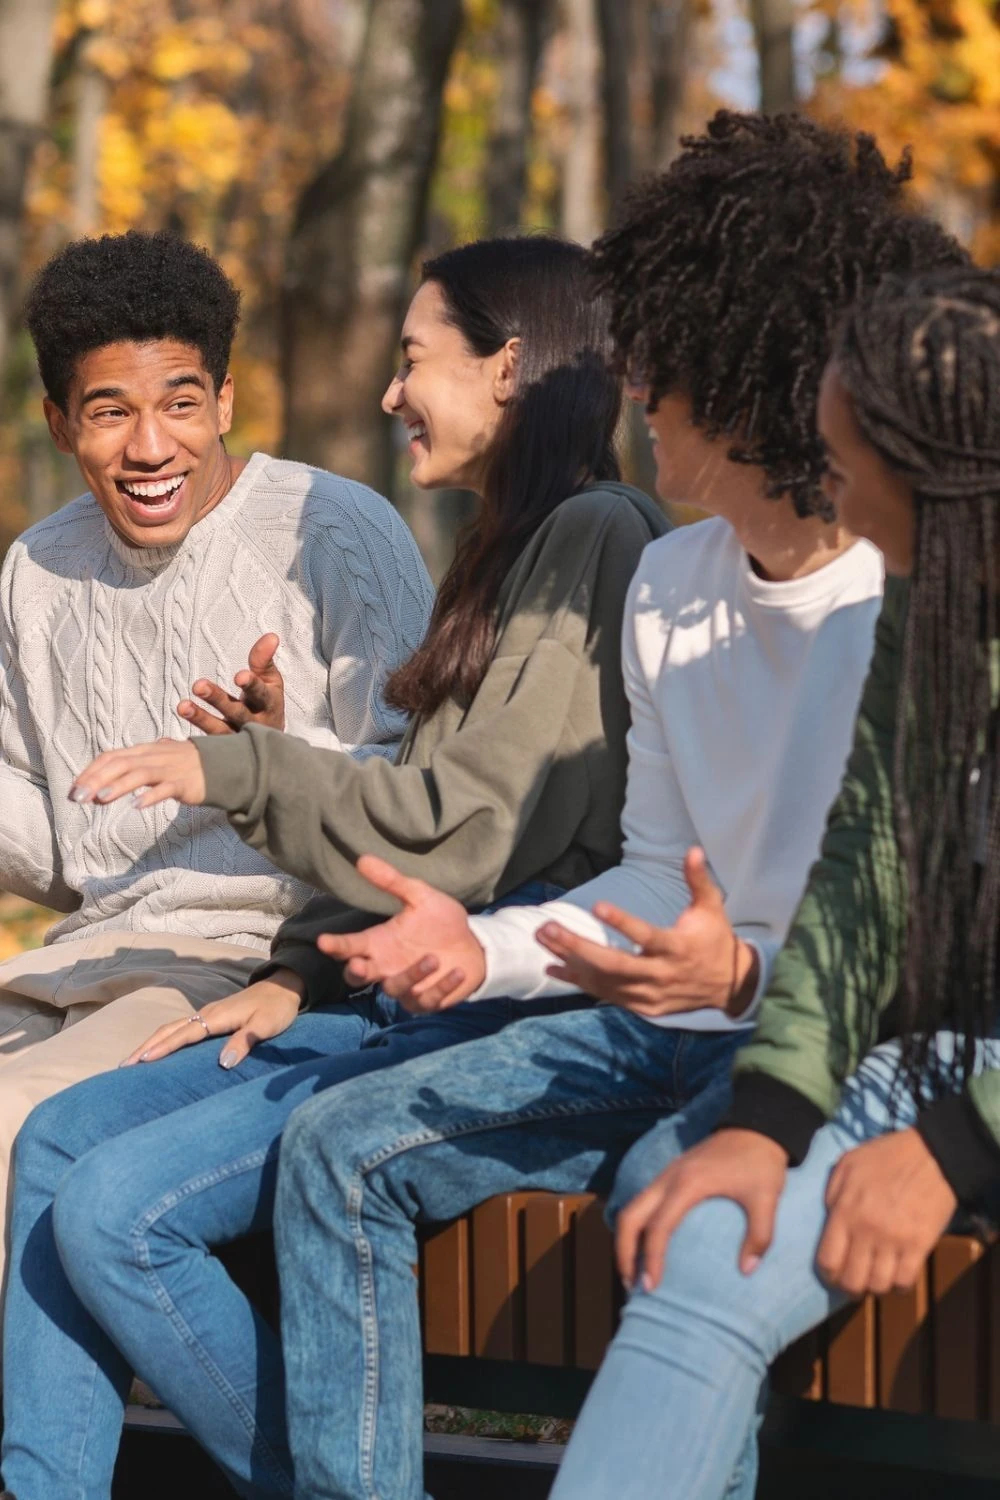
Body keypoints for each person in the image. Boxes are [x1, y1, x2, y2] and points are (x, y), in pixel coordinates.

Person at [41, 114, 966, 1500]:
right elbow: (650, 874)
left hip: (793, 1044)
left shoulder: (882, 598)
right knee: (309, 1151)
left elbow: (861, 920)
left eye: (659, 358)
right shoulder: (669, 582)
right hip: (639, 1008)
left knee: (658, 1187)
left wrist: (797, 1039)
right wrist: (481, 949)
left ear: (743, 368)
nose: (632, 383)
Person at [1, 233, 665, 1500]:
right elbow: (417, 810)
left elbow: (464, 829)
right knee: (55, 1155)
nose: (389, 394)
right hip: (367, 984)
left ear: (511, 367)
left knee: (113, 1212)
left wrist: (242, 778)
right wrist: (302, 970)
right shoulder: (508, 546)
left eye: (414, 361)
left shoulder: (592, 535)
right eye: (108, 413)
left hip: (484, 1009)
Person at [532, 262, 1000, 1500]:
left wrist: (956, 1145)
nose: (823, 482)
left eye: (845, 460)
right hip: (948, 1058)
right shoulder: (928, 600)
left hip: (975, 1099)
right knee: (703, 1237)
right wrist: (765, 1124)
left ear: (933, 475)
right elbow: (866, 868)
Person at [0, 228, 433, 1308]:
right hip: (83, 960)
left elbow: (421, 800)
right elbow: (58, 848)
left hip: (252, 966)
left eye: (180, 403)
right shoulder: (39, 569)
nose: (151, 446)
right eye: (110, 412)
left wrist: (271, 762)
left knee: (10, 1136)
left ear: (227, 400)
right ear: (61, 424)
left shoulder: (332, 529)